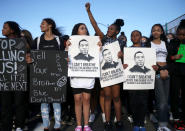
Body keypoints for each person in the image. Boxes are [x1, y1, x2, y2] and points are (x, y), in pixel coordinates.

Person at [85, 3, 125, 131]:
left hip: (116, 72)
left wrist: (122, 55)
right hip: (105, 71)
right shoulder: (102, 38)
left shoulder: (121, 42)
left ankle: (119, 121)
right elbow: (94, 24)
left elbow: (126, 58)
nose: (109, 30)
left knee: (116, 97)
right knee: (107, 96)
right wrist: (89, 11)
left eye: (112, 29)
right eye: (109, 28)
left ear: (117, 32)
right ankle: (107, 122)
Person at [67, 23, 101, 131]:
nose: (85, 30)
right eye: (82, 28)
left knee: (87, 99)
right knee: (77, 100)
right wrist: (67, 49)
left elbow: (99, 61)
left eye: (86, 28)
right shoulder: (71, 44)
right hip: (76, 77)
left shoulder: (94, 44)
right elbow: (65, 59)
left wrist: (99, 49)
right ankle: (78, 125)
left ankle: (86, 125)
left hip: (89, 77)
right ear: (76, 31)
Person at [32, 18, 65, 131]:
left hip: (56, 75)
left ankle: (57, 126)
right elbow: (31, 56)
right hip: (41, 75)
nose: (40, 25)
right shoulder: (37, 40)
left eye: (43, 23)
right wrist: (29, 58)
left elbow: (63, 56)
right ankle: (46, 126)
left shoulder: (59, 40)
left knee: (56, 102)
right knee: (44, 101)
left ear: (50, 25)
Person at [0, 21, 31, 131]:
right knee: (5, 106)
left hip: (19, 78)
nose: (2, 29)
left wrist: (28, 57)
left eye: (5, 27)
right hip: (5, 79)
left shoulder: (22, 41)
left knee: (19, 104)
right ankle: (6, 127)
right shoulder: (2, 44)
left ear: (12, 30)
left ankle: (19, 126)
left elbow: (28, 52)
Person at [125, 30, 158, 131]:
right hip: (131, 82)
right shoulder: (127, 51)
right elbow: (122, 66)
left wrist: (155, 68)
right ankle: (136, 123)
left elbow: (153, 64)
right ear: (130, 38)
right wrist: (123, 66)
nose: (135, 37)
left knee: (143, 102)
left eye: (137, 35)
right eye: (133, 35)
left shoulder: (148, 51)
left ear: (141, 37)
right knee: (134, 103)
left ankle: (142, 124)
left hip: (145, 82)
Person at [149, 24, 171, 131]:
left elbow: (170, 58)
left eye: (158, 30)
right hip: (157, 73)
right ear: (151, 32)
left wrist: (167, 69)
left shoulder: (166, 43)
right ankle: (161, 126)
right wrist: (160, 70)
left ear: (162, 32)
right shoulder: (149, 44)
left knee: (165, 100)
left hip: (167, 72)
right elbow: (149, 61)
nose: (156, 32)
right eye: (154, 30)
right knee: (161, 100)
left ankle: (163, 124)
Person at [168, 19, 185, 130]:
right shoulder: (173, 43)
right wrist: (174, 57)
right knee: (174, 95)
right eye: (179, 34)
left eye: (183, 35)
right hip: (175, 73)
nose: (181, 36)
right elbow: (167, 57)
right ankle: (176, 118)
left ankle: (182, 117)